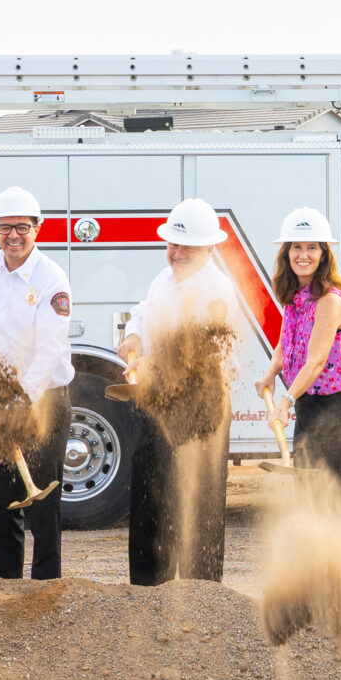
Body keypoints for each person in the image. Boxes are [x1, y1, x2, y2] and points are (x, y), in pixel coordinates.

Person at [121, 198, 238, 585]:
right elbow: (141, 311)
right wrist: (133, 336)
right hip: (157, 406)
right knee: (151, 499)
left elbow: (201, 358)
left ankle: (201, 597)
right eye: (172, 244)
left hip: (200, 411)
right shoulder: (163, 279)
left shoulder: (216, 292)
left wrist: (154, 364)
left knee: (198, 508)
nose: (176, 252)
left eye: (187, 246)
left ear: (209, 249)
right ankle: (147, 590)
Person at [0, 186, 73, 581]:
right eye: (5, 227)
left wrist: (22, 400)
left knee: (43, 499)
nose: (13, 235)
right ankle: (5, 584)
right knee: (1, 497)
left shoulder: (51, 278)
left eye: (22, 227)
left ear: (38, 228)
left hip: (42, 397)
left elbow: (49, 349)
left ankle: (46, 586)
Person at [259, 207, 341, 495]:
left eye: (312, 248)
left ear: (324, 255)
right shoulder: (295, 298)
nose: (303, 255)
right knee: (307, 500)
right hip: (308, 409)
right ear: (287, 254)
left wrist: (285, 401)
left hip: (335, 413)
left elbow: (315, 362)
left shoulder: (329, 301)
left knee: (328, 502)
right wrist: (269, 374)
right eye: (296, 247)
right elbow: (285, 344)